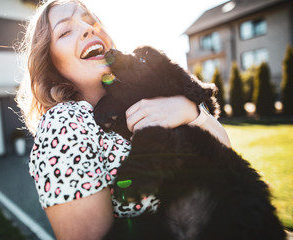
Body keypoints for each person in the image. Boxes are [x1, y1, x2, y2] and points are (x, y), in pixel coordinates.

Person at [15, 0, 231, 239]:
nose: (87, 29)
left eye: (89, 20)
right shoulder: (64, 123)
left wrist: (193, 114)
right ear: (50, 65)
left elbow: (227, 156)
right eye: (65, 31)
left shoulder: (149, 87)